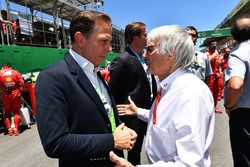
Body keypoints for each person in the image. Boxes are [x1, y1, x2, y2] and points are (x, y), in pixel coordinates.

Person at [36, 11, 137, 167]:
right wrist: (112, 141)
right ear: (80, 39)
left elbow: (105, 116)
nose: (110, 48)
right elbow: (55, 143)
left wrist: (123, 130)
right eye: (104, 41)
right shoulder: (52, 77)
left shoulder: (95, 71)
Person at [109, 25, 215, 166]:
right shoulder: (170, 85)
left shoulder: (190, 93)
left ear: (170, 54)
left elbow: (190, 164)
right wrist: (138, 112)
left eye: (150, 49)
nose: (145, 55)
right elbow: (167, 119)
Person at [109, 22, 157, 165]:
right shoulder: (123, 59)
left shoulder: (144, 57)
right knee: (133, 152)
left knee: (151, 147)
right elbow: (113, 91)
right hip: (132, 118)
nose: (147, 37)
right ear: (136, 38)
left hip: (146, 113)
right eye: (145, 35)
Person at [224, 14, 250, 167]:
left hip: (245, 116)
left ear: (234, 36)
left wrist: (229, 106)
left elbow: (235, 85)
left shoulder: (238, 53)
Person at [0, 63, 24, 136]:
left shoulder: (1, 73)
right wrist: (19, 91)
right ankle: (16, 129)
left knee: (7, 113)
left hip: (6, 95)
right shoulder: (15, 72)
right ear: (10, 67)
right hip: (16, 94)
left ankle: (9, 130)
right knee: (16, 111)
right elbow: (22, 83)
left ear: (3, 67)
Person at [206, 41, 223, 113]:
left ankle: (215, 107)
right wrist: (214, 55)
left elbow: (219, 64)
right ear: (209, 46)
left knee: (216, 93)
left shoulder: (217, 54)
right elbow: (207, 61)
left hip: (217, 76)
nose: (215, 46)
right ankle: (207, 108)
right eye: (213, 44)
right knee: (208, 93)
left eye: (215, 44)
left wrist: (220, 64)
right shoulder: (206, 54)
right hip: (209, 77)